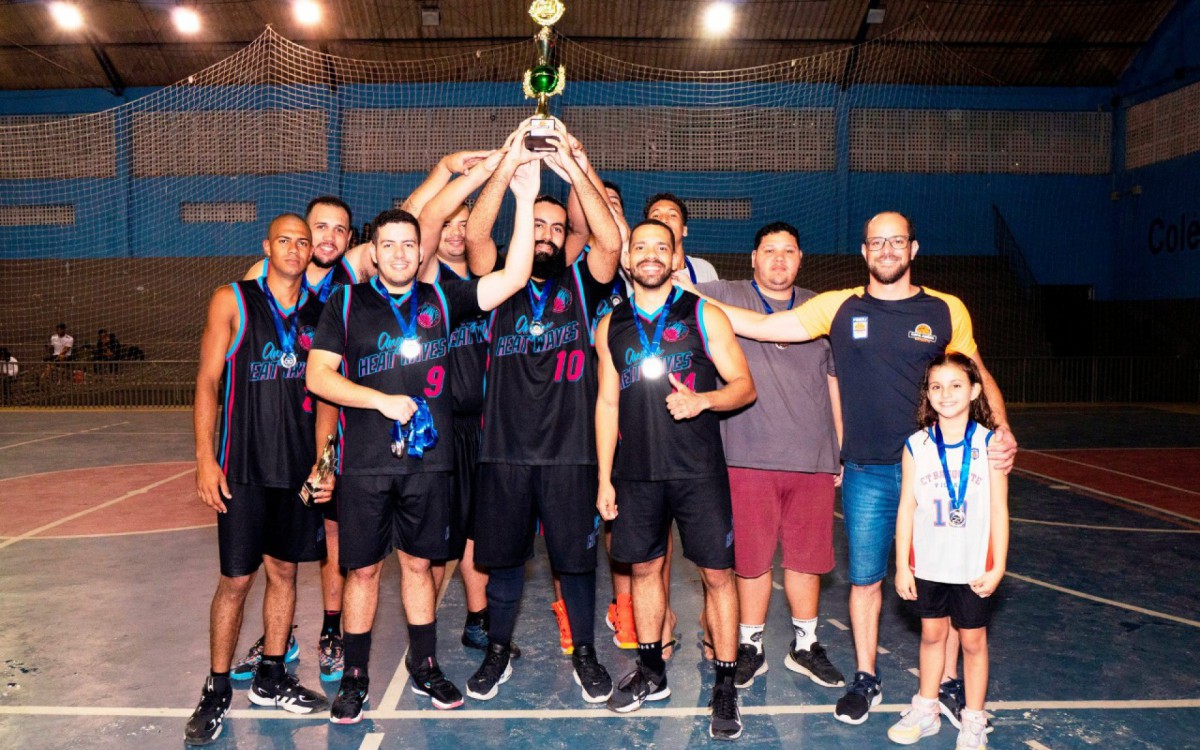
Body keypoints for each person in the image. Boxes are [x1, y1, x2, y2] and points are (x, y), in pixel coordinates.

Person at [676, 211, 1017, 727]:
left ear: (913, 248)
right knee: (865, 582)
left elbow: (976, 371)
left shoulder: (946, 309)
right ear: (863, 252)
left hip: (937, 472)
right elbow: (764, 324)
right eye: (876, 242)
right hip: (866, 470)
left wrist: (1005, 430)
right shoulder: (836, 307)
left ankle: (948, 684)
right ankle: (866, 677)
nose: (886, 250)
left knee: (952, 575)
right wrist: (693, 295)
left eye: (896, 241)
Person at [305, 130, 541, 723]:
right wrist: (378, 402)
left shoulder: (443, 299)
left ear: (418, 250)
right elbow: (317, 378)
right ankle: (354, 677)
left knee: (418, 564)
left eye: (410, 245)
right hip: (366, 463)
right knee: (361, 569)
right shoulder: (347, 303)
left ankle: (426, 664)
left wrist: (523, 192)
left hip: (428, 464)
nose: (401, 254)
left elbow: (512, 280)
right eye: (389, 245)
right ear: (374, 251)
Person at [462, 118, 623, 704]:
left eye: (557, 227)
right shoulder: (496, 287)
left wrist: (574, 166)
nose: (550, 235)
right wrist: (512, 174)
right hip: (502, 452)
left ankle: (584, 652)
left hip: (571, 454)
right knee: (502, 562)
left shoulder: (581, 285)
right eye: (538, 227)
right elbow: (478, 234)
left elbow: (610, 244)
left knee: (575, 565)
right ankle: (498, 651)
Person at [595, 219, 755, 740]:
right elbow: (606, 402)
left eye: (660, 248)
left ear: (674, 256)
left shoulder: (703, 313)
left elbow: (744, 387)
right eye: (640, 247)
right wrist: (604, 478)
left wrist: (703, 400)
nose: (650, 255)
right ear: (627, 259)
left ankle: (725, 685)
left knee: (717, 576)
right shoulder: (610, 324)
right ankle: (651, 671)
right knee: (643, 570)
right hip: (637, 473)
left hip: (697, 471)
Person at [185, 214, 330, 746]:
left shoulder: (323, 312)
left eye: (303, 242)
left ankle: (271, 674)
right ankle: (217, 686)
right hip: (242, 468)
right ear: (268, 247)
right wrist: (204, 458)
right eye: (285, 240)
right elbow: (206, 382)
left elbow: (329, 399)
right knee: (237, 581)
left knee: (286, 576)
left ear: (313, 252)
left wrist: (324, 461)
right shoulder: (234, 300)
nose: (294, 249)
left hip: (295, 472)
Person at [698, 221, 846, 691]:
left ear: (801, 259)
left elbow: (834, 382)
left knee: (806, 559)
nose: (779, 259)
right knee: (751, 559)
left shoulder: (822, 309)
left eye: (788, 251)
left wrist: (839, 447)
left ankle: (805, 644)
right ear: (752, 257)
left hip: (812, 457)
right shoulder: (724, 292)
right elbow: (661, 276)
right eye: (769, 250)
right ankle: (751, 646)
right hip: (745, 452)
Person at [888, 353, 1008, 749]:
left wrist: (999, 566)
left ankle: (973, 718)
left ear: (974, 391)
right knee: (932, 634)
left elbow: (999, 510)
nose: (946, 394)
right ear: (928, 394)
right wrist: (904, 565)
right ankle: (927, 708)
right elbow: (907, 506)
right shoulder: (916, 444)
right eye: (936, 386)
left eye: (956, 385)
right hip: (929, 563)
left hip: (973, 565)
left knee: (973, 642)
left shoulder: (989, 445)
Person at [644, 193, 719, 284]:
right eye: (656, 215)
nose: (663, 220)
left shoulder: (705, 269)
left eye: (672, 215)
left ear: (684, 230)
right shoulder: (637, 270)